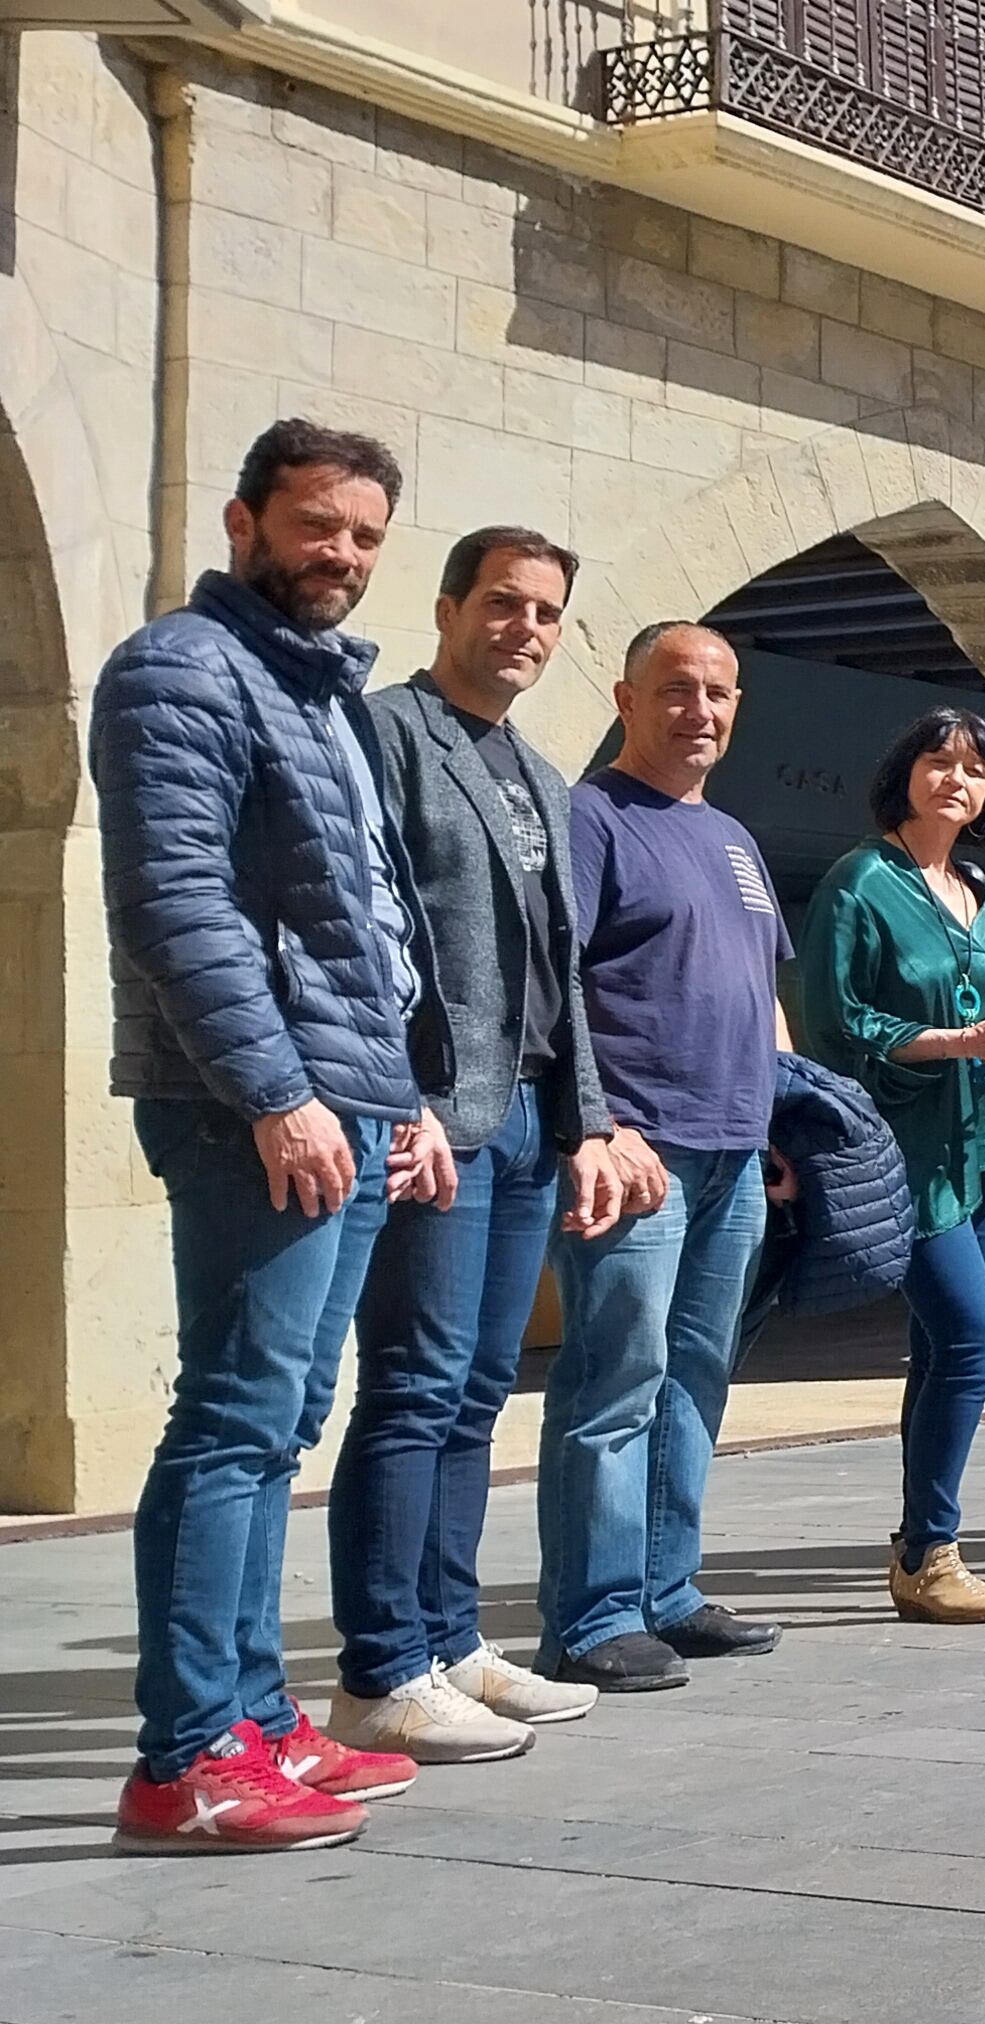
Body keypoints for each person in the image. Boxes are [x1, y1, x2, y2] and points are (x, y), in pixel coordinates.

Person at [95, 419, 459, 1853]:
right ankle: (185, 1760)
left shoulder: (315, 691)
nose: (343, 554)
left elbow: (361, 921)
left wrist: (402, 1096)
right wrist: (275, 1093)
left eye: (365, 535)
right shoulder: (182, 668)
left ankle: (253, 1719)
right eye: (317, 524)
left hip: (345, 1099)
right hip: (256, 1106)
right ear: (243, 522)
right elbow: (176, 900)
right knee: (234, 1419)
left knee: (280, 1422)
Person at [328, 527, 631, 1766]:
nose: (526, 629)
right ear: (449, 608)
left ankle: (449, 1642)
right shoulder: (388, 733)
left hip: (525, 1121)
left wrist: (589, 1121)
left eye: (547, 613)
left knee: (474, 1392)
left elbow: (565, 973)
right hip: (433, 1117)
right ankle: (380, 1669)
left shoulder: (543, 774)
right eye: (504, 603)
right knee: (412, 1385)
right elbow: (364, 931)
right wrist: (395, 1095)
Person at [540, 620, 792, 1694]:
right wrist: (597, 1125)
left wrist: (783, 1121)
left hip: (735, 1149)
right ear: (626, 699)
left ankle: (666, 1590)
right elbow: (556, 982)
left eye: (718, 693)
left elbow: (763, 991)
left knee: (694, 1375)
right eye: (677, 689)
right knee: (616, 1378)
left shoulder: (732, 837)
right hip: (639, 1151)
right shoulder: (591, 817)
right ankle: (592, 1618)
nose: (700, 710)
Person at [796, 708, 985, 1622]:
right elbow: (837, 1024)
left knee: (942, 1348)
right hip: (905, 1150)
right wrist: (962, 1041)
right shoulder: (860, 881)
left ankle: (918, 1548)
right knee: (975, 1337)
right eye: (939, 762)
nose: (957, 779)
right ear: (904, 774)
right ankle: (931, 1551)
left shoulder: (978, 885)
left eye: (976, 769)